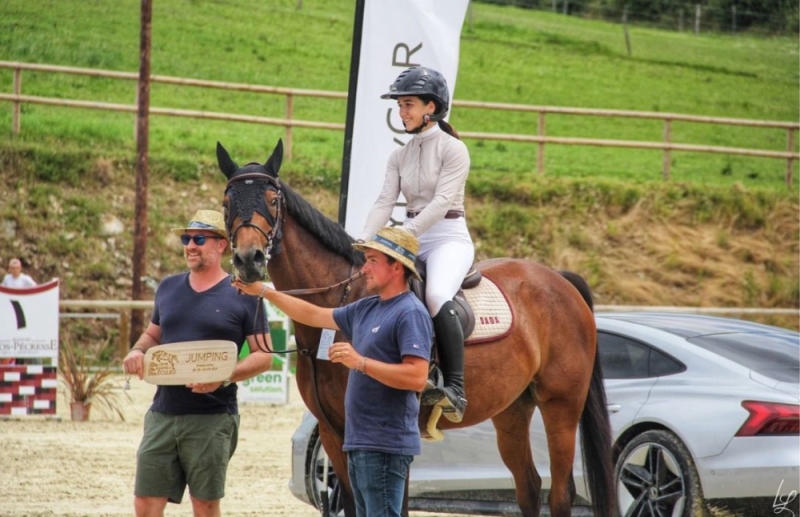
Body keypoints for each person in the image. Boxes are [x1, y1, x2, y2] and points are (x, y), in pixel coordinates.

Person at [232, 226, 432, 517]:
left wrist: (359, 362)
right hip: (361, 440)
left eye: (373, 260)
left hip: (386, 444)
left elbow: (417, 377)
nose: (364, 269)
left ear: (397, 266)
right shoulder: (367, 307)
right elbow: (312, 315)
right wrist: (263, 290)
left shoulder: (410, 313)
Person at [122, 209, 273, 517]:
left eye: (199, 238)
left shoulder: (245, 294)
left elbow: (264, 357)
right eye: (186, 238)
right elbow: (153, 334)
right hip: (162, 413)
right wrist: (137, 351)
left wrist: (224, 376)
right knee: (145, 503)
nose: (190, 245)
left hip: (213, 417)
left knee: (204, 506)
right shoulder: (167, 287)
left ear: (221, 246)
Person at [359, 66, 473, 423]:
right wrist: (366, 241)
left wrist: (401, 235)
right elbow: (383, 202)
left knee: (436, 295)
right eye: (400, 105)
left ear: (431, 107)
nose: (402, 112)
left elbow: (441, 203)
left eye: (408, 104)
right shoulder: (399, 156)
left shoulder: (454, 150)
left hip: (447, 237)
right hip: (409, 238)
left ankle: (454, 387)